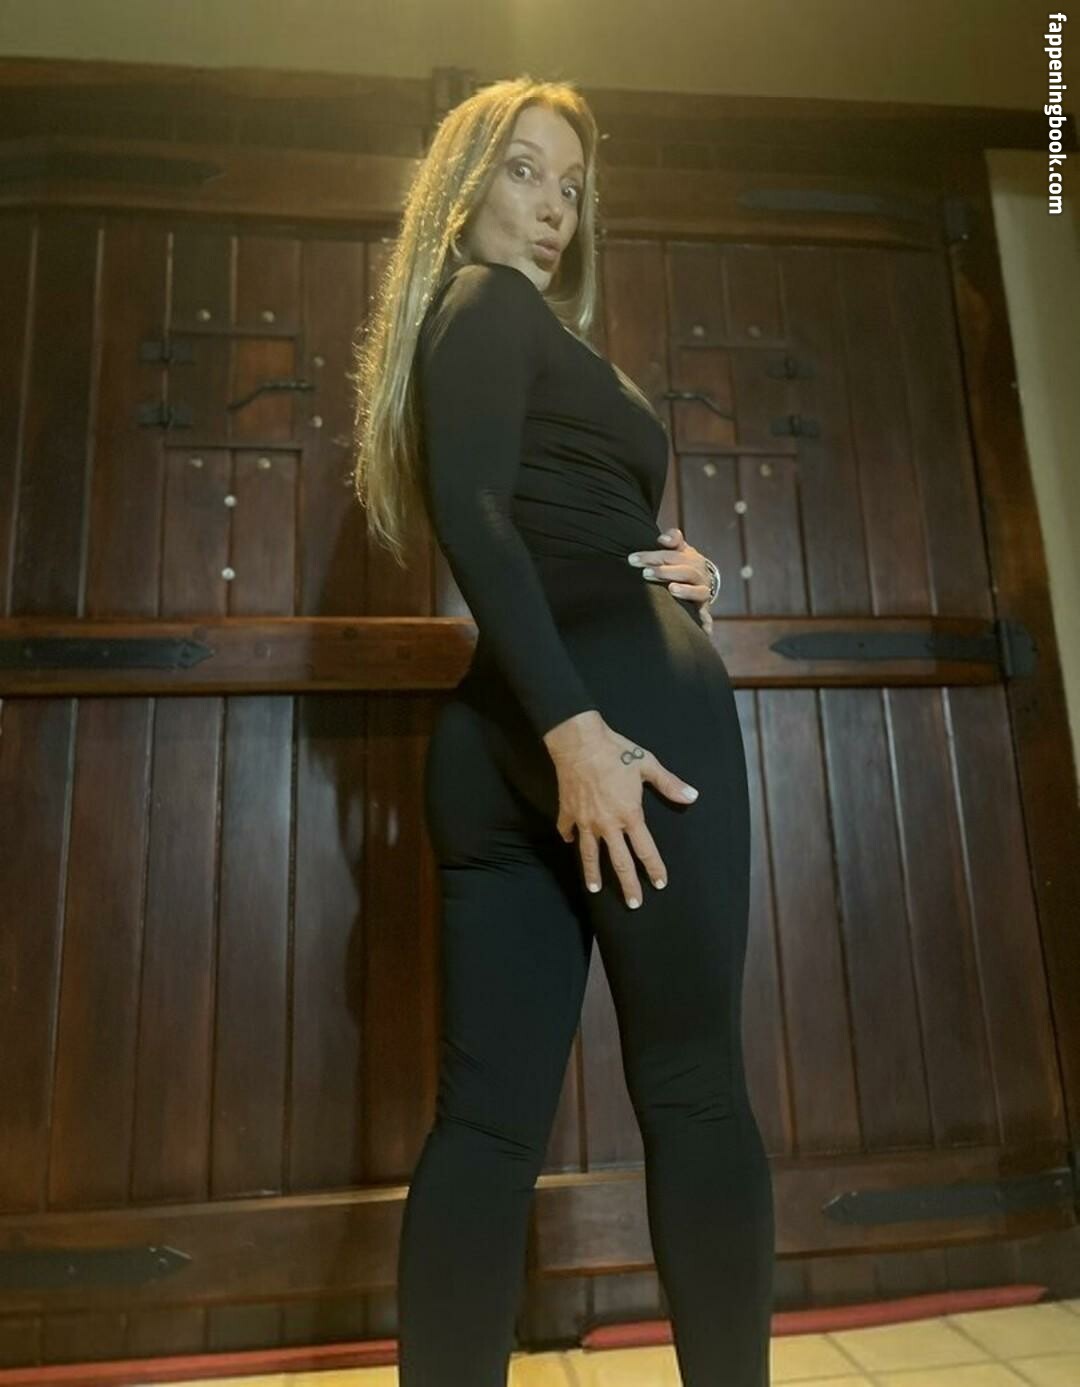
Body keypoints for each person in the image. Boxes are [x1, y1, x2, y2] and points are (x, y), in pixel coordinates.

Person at [350, 74, 774, 1387]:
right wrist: (579, 731)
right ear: (461, 183)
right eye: (523, 170)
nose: (551, 208)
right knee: (694, 1088)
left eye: (572, 187)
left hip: (498, 735)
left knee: (485, 1128)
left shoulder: (494, 331)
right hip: (604, 721)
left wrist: (686, 571)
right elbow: (477, 518)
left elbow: (551, 523)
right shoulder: (486, 303)